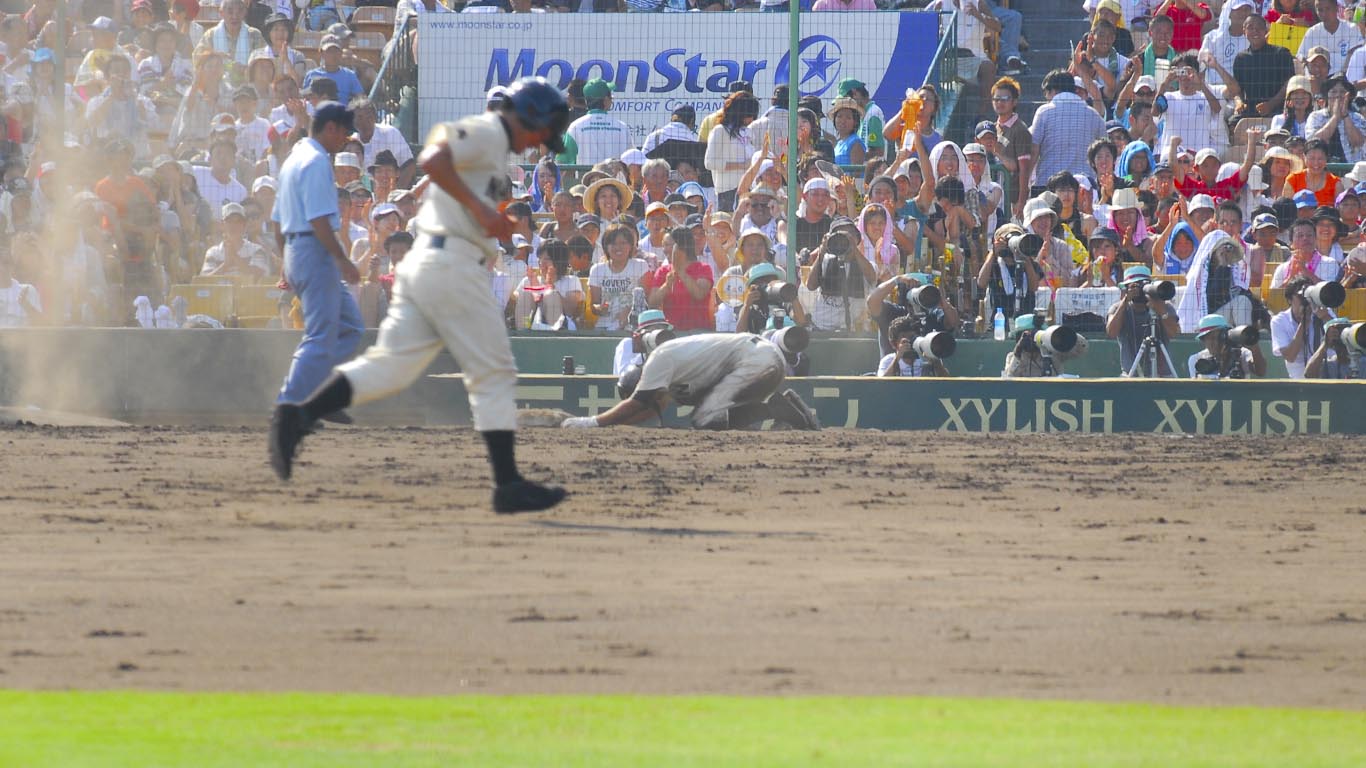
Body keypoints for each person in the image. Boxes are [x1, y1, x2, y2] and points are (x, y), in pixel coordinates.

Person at [270, 77, 569, 514]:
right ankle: (506, 485)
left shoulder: (495, 147)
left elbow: (448, 183)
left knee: (390, 367)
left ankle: (298, 415)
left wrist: (486, 217)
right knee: (495, 370)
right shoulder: (490, 129)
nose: (540, 143)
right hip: (450, 267)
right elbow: (433, 157)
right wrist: (485, 211)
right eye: (542, 132)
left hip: (431, 265)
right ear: (530, 116)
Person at [268, 100, 362, 428]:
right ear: (331, 128)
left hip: (299, 251)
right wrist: (342, 259)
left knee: (351, 327)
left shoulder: (294, 159)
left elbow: (277, 222)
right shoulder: (317, 161)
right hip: (314, 251)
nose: (345, 139)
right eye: (344, 132)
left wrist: (286, 261)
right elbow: (319, 218)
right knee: (322, 335)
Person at [562, 331, 819, 431]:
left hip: (755, 359)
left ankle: (775, 409)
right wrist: (618, 426)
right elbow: (653, 407)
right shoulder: (671, 378)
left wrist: (593, 422)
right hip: (767, 356)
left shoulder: (657, 361)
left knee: (704, 420)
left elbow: (638, 403)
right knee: (711, 416)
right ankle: (789, 410)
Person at [1030, 70, 1106, 192]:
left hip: (1048, 185)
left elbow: (1033, 150)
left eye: (1046, 93)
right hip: (1085, 187)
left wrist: (1024, 184)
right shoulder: (1094, 115)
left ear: (1052, 90)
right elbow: (1104, 150)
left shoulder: (1044, 112)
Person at [1106, 264, 1182, 375]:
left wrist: (1160, 310)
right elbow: (1111, 333)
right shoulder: (1118, 308)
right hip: (1131, 374)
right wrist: (1125, 301)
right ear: (1126, 288)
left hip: (1162, 374)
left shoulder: (1164, 306)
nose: (1140, 291)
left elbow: (1174, 333)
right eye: (1135, 286)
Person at [1271, 275, 1337, 377]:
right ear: (1289, 300)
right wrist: (1304, 323)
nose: (1306, 300)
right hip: (1299, 380)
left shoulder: (1322, 311)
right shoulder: (1279, 321)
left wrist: (1326, 317)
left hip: (1328, 374)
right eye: (1301, 296)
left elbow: (1342, 338)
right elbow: (1290, 356)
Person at [559, 78, 633, 166]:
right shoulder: (622, 127)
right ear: (605, 100)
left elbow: (562, 161)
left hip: (587, 178)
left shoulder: (576, 127)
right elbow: (632, 160)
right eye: (610, 97)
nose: (612, 99)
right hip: (615, 179)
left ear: (586, 101)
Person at [1188, 313, 1266, 378]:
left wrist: (1254, 347)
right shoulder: (1196, 359)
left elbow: (1260, 372)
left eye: (1220, 337)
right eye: (1211, 338)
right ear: (1203, 340)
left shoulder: (1241, 355)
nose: (1216, 342)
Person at [878, 314, 949, 377]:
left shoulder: (925, 357)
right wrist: (898, 358)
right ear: (893, 343)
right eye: (904, 338)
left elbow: (948, 384)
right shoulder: (888, 361)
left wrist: (936, 364)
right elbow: (882, 385)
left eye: (912, 337)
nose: (909, 341)